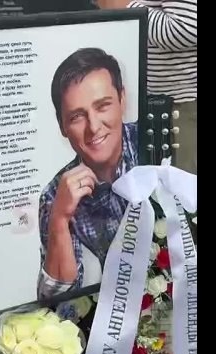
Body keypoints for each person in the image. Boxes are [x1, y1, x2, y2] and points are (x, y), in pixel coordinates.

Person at [37, 48, 139, 300]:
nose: (93, 127)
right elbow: (57, 303)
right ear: (62, 126)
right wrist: (59, 220)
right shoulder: (55, 195)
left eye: (102, 106)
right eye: (77, 117)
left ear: (122, 99)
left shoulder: (154, 141)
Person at [97, 0, 197, 174]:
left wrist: (125, 6)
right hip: (141, 108)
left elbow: (185, 28)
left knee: (181, 187)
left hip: (179, 110)